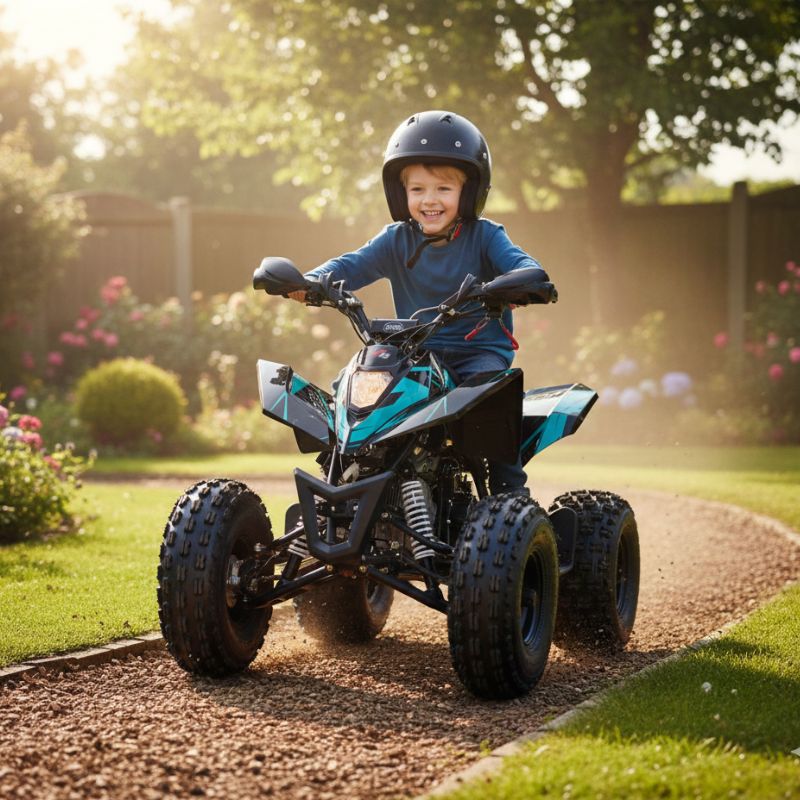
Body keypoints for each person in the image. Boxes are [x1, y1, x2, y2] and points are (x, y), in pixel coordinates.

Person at [290, 110, 550, 495]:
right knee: (350, 390)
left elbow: (526, 267)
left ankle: (512, 501)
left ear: (469, 192)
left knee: (492, 400)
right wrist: (311, 281)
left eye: (443, 189)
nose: (430, 200)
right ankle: (341, 485)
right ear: (401, 194)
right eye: (417, 190)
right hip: (413, 353)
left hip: (475, 353)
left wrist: (517, 284)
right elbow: (350, 265)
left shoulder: (486, 236)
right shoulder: (396, 239)